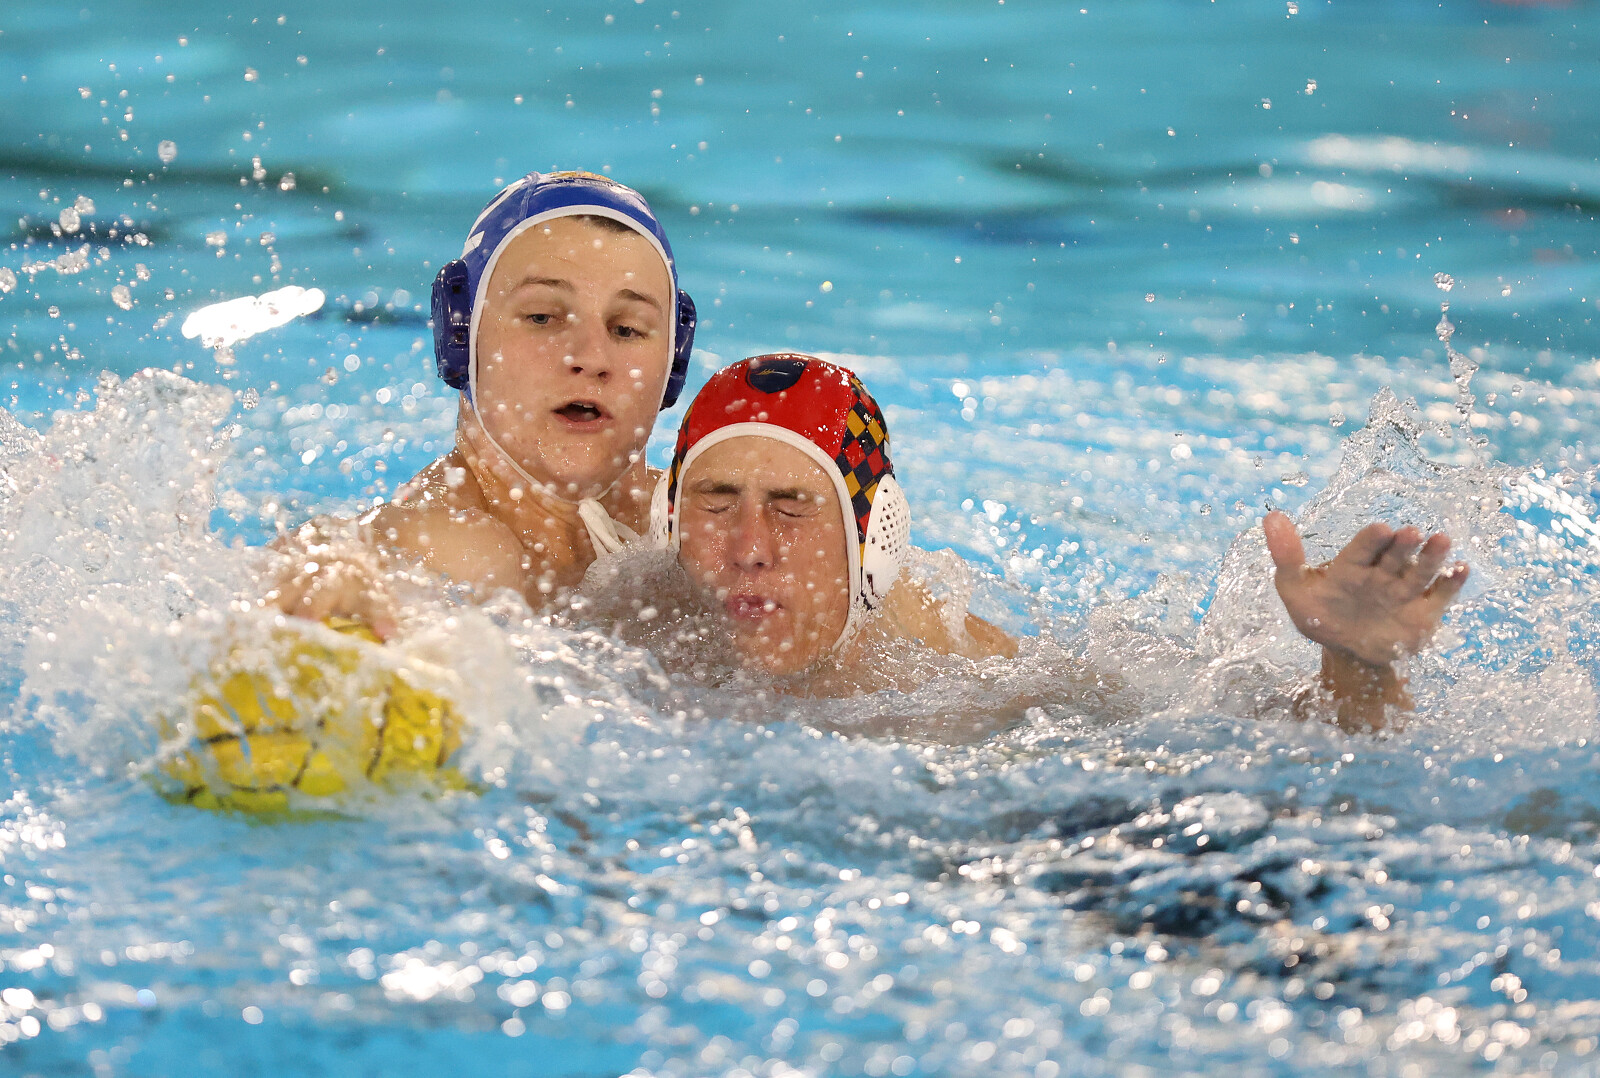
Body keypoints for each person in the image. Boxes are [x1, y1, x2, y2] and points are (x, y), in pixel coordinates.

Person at [645, 353, 1470, 728]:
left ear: (875, 539)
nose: (749, 547)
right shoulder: (626, 633)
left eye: (792, 508)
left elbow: (1242, 741)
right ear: (670, 525)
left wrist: (1355, 668)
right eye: (716, 504)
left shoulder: (952, 675)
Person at [266, 171, 697, 636]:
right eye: (542, 317)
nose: (591, 358)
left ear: (674, 360)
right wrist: (326, 565)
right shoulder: (456, 543)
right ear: (460, 336)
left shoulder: (705, 524)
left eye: (627, 329)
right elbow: (337, 551)